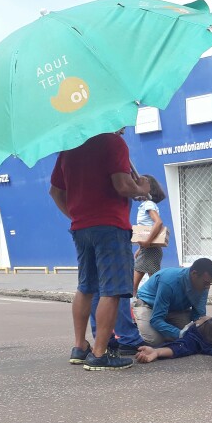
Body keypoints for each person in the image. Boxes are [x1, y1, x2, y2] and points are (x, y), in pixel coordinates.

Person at [50, 130, 149, 371]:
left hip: (81, 228)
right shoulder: (113, 142)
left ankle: (79, 346)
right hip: (110, 226)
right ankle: (99, 353)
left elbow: (55, 192)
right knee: (112, 290)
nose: (124, 128)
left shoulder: (69, 145)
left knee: (86, 286)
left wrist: (76, 215)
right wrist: (141, 186)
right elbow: (123, 185)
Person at [132, 258, 212, 345]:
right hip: (149, 305)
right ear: (194, 274)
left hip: (173, 309)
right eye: (206, 283)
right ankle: (135, 325)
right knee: (155, 340)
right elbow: (156, 319)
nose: (208, 287)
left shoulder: (204, 285)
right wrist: (180, 333)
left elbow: (199, 316)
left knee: (192, 333)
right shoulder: (169, 282)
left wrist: (201, 327)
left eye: (211, 283)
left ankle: (165, 330)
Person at [133, 175, 167, 296]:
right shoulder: (146, 205)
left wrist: (147, 242)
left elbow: (158, 223)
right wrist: (140, 248)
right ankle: (157, 305)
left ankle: (132, 310)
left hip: (150, 250)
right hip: (149, 249)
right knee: (155, 284)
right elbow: (149, 226)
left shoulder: (148, 204)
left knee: (133, 286)